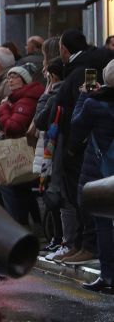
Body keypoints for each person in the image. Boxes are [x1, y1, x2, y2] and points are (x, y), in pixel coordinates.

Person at [52, 30, 114, 265]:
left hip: (90, 157)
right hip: (102, 157)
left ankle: (96, 257)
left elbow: (77, 122)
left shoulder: (93, 103)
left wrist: (83, 98)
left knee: (93, 212)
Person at [71, 60, 114, 292]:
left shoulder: (93, 104)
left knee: (104, 223)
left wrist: (83, 97)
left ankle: (108, 276)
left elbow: (76, 127)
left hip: (100, 170)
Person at [0, 64, 43, 227]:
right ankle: (34, 224)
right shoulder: (17, 98)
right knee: (22, 190)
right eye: (9, 77)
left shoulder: (26, 100)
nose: (10, 80)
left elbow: (13, 127)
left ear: (24, 80)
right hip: (25, 151)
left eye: (14, 76)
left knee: (8, 184)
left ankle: (17, 227)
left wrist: (3, 109)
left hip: (22, 151)